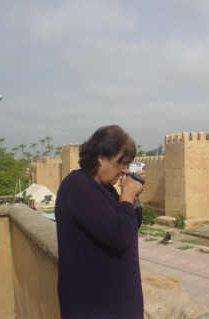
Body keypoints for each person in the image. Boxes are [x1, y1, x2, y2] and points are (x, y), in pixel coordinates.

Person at [55, 125, 145, 319]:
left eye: (127, 164)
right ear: (100, 157)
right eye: (120, 163)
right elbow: (119, 236)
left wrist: (133, 199)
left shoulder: (105, 188)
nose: (124, 170)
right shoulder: (77, 186)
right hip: (93, 307)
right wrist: (127, 196)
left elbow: (130, 226)